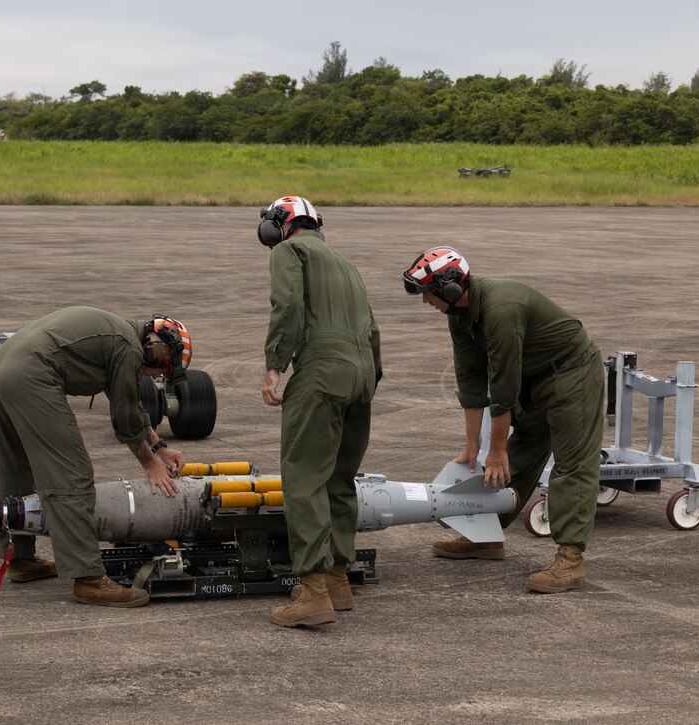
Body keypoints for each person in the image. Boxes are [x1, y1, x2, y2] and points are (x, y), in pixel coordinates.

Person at [402, 246, 604, 593]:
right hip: (535, 378)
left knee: (571, 464)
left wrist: (495, 450)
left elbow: (503, 387)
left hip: (572, 372)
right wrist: (472, 446)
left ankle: (571, 560)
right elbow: (470, 381)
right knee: (520, 452)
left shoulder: (501, 308)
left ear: (451, 287)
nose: (426, 302)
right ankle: (487, 538)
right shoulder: (458, 315)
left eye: (429, 293)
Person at [0, 306, 189, 607]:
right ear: (158, 348)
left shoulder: (125, 337)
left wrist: (160, 447)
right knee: (72, 473)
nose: (157, 376)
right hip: (33, 374)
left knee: (18, 467)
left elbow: (129, 402)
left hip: (3, 367)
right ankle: (88, 579)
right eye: (162, 370)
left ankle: (20, 559)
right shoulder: (129, 349)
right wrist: (149, 464)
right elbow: (123, 419)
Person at [258, 196, 382, 627]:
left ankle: (311, 592)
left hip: (322, 372)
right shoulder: (345, 262)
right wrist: (369, 380)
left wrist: (274, 366)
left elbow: (287, 307)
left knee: (304, 478)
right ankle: (337, 580)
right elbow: (372, 328)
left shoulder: (290, 252)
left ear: (281, 225)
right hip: (362, 376)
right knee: (340, 479)